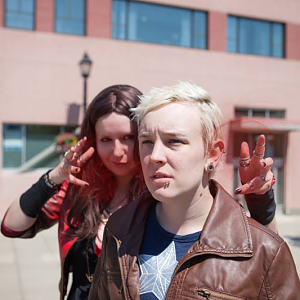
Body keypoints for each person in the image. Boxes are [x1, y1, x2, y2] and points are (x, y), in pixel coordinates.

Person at [1, 84, 278, 300]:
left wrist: (260, 200)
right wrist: (54, 178)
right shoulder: (78, 192)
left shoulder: (163, 194)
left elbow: (264, 257)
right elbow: (12, 227)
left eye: (129, 138)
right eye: (105, 140)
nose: (118, 151)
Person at [89, 82, 300, 300]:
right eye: (147, 141)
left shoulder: (266, 250)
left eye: (174, 141)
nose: (155, 156)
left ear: (212, 154)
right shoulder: (119, 230)